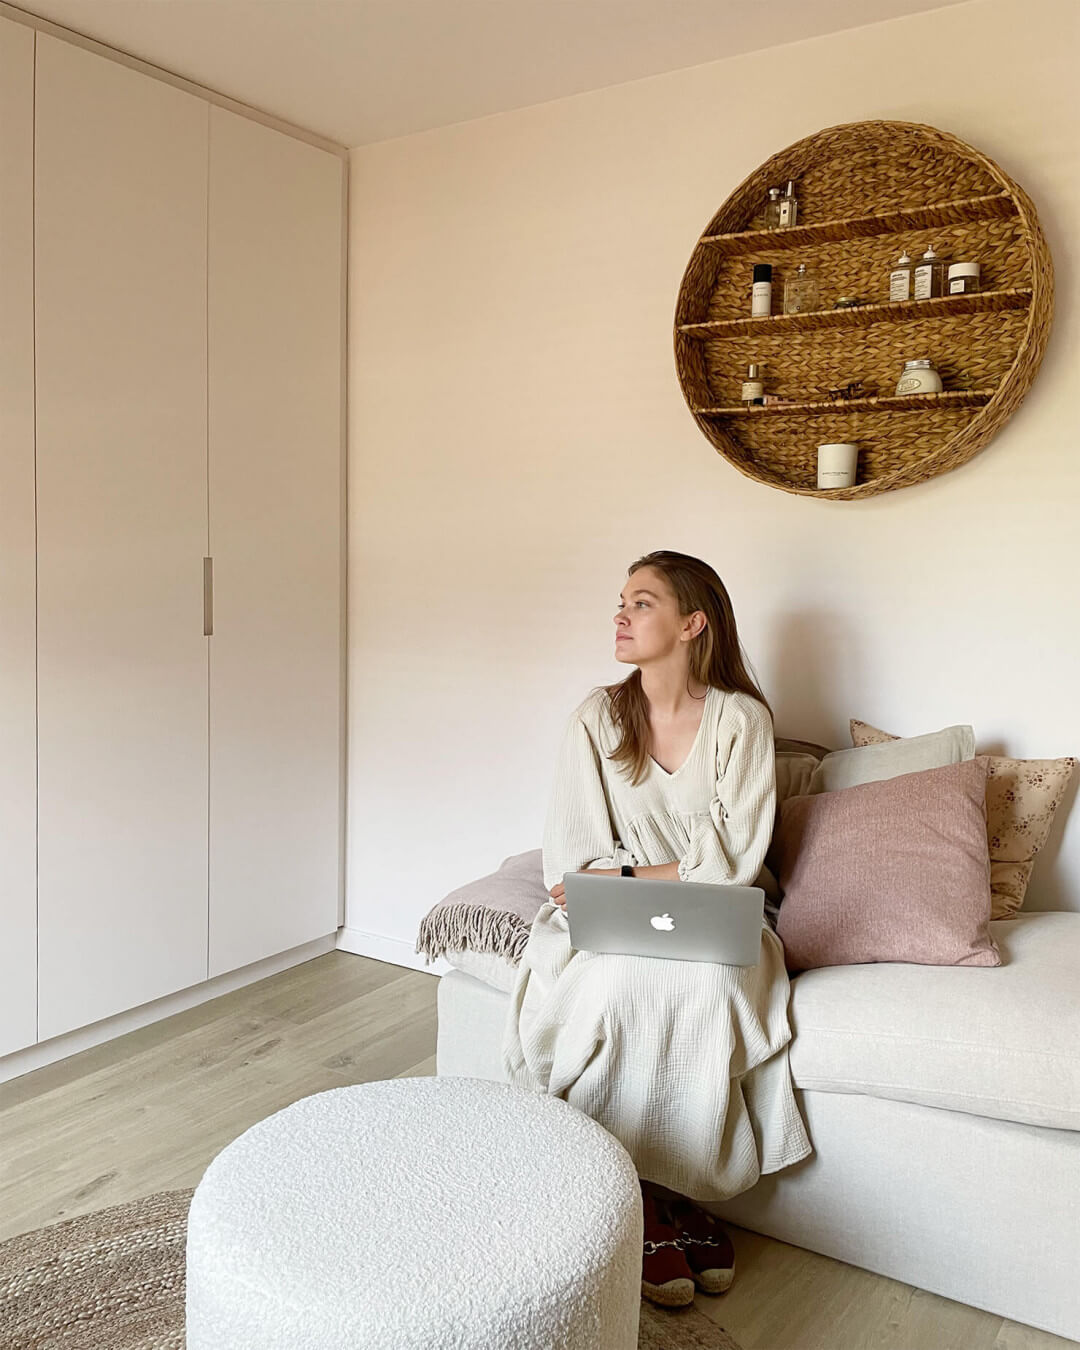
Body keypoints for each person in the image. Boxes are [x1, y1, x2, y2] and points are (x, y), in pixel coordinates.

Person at [502, 550, 811, 1310]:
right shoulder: (597, 717)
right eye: (622, 601)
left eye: (641, 603)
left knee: (707, 987)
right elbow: (571, 859)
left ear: (691, 623)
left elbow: (735, 862)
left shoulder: (740, 721)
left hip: (721, 918)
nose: (621, 614)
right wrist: (632, 882)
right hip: (607, 919)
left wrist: (635, 878)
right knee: (610, 987)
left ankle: (674, 1197)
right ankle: (642, 1200)